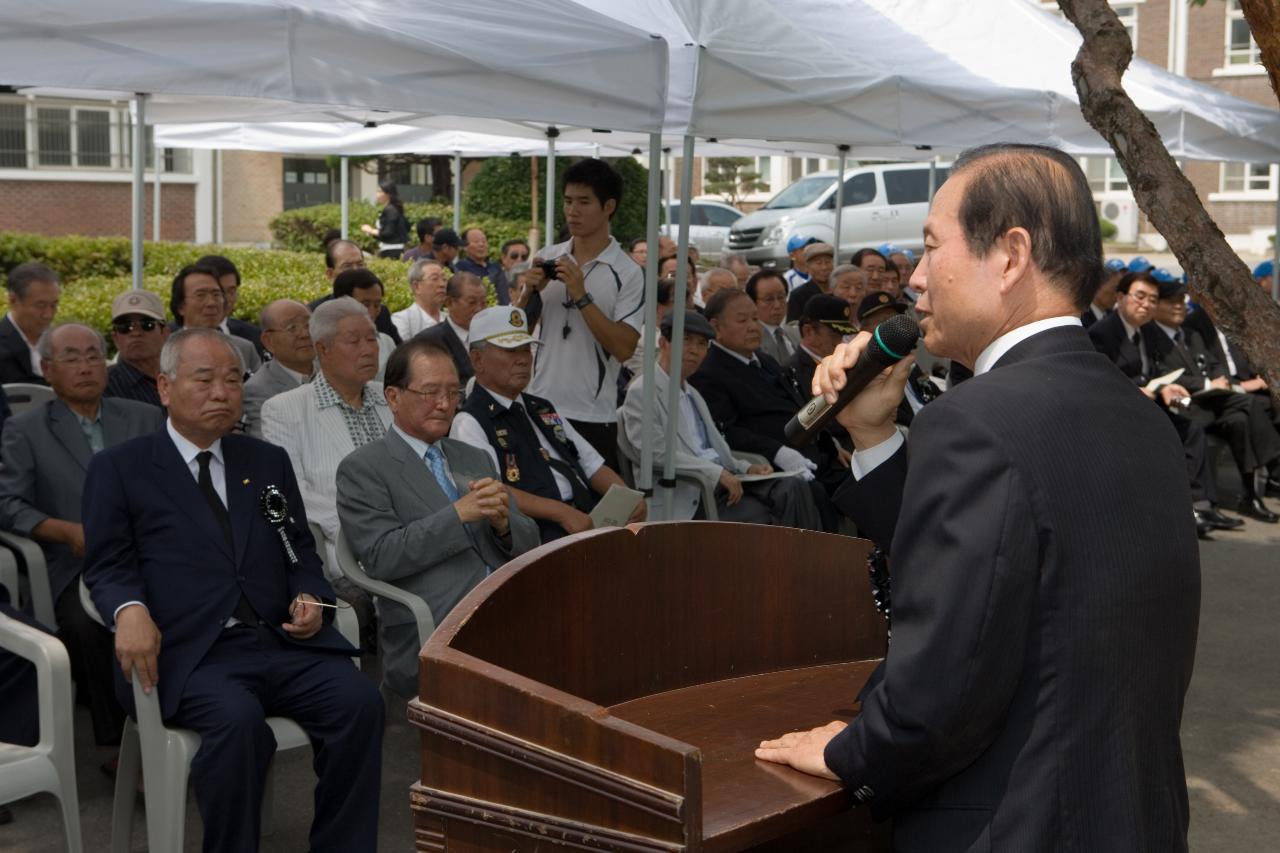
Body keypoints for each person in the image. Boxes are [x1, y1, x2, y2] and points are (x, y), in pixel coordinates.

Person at [755, 143, 1199, 853]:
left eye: (932, 248)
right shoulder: (1138, 414)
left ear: (1011, 253)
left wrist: (848, 750)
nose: (917, 279)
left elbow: (940, 690)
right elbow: (999, 581)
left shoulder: (976, 420)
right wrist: (872, 435)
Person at [82, 328, 383, 853]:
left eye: (232, 380)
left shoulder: (263, 462)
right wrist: (128, 610)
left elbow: (298, 551)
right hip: (188, 652)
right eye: (205, 379)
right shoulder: (121, 468)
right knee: (240, 725)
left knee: (359, 702)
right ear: (165, 387)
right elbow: (106, 565)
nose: (222, 392)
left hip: (276, 642)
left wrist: (310, 595)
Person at [335, 339, 539, 698]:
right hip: (435, 620)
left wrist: (504, 527)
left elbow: (528, 542)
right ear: (393, 397)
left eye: (453, 392)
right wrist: (458, 515)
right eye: (429, 392)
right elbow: (381, 557)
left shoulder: (474, 457)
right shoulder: (364, 468)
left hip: (508, 608)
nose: (445, 404)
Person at [0, 323, 164, 749]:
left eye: (94, 355)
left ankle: (186, 719)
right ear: (48, 370)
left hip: (152, 552)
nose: (86, 366)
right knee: (86, 624)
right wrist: (63, 530)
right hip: (77, 563)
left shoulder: (144, 416)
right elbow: (8, 504)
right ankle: (119, 745)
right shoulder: (27, 430)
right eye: (72, 358)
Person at [451, 306, 645, 544]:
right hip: (535, 537)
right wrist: (560, 512)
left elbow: (591, 464)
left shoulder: (541, 407)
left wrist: (628, 498)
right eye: (510, 350)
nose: (523, 359)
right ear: (477, 360)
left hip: (586, 520)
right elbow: (489, 490)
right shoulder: (470, 421)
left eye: (526, 349)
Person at [620, 311, 823, 528]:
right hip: (686, 492)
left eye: (701, 344)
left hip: (719, 486)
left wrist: (746, 468)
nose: (693, 350)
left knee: (795, 486)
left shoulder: (692, 393)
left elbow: (712, 449)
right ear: (663, 342)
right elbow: (654, 453)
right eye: (686, 340)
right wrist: (716, 473)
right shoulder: (643, 390)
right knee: (773, 510)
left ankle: (803, 559)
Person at [1088, 272, 1237, 538]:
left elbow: (1152, 373)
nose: (1146, 305)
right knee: (1177, 430)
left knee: (1192, 423)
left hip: (1153, 400)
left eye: (1152, 300)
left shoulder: (1147, 331)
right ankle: (1182, 510)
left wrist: (1166, 386)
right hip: (1118, 410)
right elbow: (1098, 379)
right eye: (1140, 297)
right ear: (1121, 298)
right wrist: (1135, 390)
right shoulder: (1102, 333)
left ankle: (1203, 505)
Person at [521, 159, 644, 472]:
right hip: (539, 406)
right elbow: (518, 331)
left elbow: (625, 347)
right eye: (567, 201)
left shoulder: (628, 272)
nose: (572, 211)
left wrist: (581, 294)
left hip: (592, 416)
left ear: (609, 206)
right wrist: (528, 293)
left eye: (584, 202)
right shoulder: (549, 256)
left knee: (594, 515)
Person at [689, 289, 845, 531]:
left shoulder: (764, 360)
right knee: (816, 494)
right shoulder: (709, 372)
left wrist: (830, 441)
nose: (753, 326)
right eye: (742, 320)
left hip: (814, 452)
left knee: (867, 477)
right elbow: (727, 431)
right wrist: (778, 451)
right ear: (716, 327)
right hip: (774, 463)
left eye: (754, 318)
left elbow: (798, 406)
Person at [1141, 275, 1280, 522]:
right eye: (1171, 301)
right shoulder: (1149, 335)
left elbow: (1214, 363)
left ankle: (1249, 495)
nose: (1179, 306)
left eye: (1181, 301)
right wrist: (1206, 383)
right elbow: (1161, 375)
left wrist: (1218, 381)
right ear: (1157, 306)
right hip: (1176, 401)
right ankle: (1272, 462)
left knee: (1239, 418)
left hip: (1208, 401)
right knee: (1240, 406)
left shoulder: (1190, 334)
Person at [260, 297, 390, 555]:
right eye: (354, 341)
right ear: (323, 349)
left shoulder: (390, 397)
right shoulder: (284, 409)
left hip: (417, 537)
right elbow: (293, 492)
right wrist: (369, 531)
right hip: (348, 552)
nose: (368, 350)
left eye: (372, 339)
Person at [169, 263, 262, 375]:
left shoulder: (244, 348)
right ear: (180, 306)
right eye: (200, 295)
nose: (211, 303)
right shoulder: (165, 348)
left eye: (216, 294)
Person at [242, 299, 315, 437]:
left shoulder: (333, 369)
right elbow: (271, 448)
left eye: (308, 325)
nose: (305, 334)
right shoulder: (258, 390)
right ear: (268, 341)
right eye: (292, 328)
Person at [314, 239, 402, 344]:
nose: (356, 270)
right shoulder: (314, 314)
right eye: (347, 266)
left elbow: (400, 354)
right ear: (330, 274)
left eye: (360, 264)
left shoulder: (381, 313)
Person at [413, 271, 489, 388]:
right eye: (472, 302)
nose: (479, 309)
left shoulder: (493, 336)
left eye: (484, 303)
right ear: (449, 303)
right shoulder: (428, 341)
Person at [105, 289, 170, 408]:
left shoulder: (181, 376)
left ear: (165, 333)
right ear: (115, 338)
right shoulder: (104, 386)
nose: (136, 333)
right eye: (125, 327)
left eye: (147, 324)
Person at [332, 268, 397, 379]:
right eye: (365, 305)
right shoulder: (327, 346)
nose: (372, 312)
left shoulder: (386, 342)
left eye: (377, 305)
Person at [0, 262, 60, 385]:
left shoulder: (60, 340)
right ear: (13, 301)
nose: (48, 314)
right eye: (40, 305)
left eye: (54, 305)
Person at [790, 294, 856, 398]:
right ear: (808, 331)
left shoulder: (842, 364)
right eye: (833, 334)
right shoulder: (792, 373)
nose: (840, 342)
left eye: (842, 335)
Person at [197, 254, 264, 357]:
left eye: (231, 291)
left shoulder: (254, 336)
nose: (226, 299)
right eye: (218, 292)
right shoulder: (169, 335)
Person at [748, 269, 799, 363]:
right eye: (769, 299)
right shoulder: (750, 340)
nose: (777, 305)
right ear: (753, 303)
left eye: (781, 297)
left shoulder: (796, 334)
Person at [392, 259, 447, 341]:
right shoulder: (402, 320)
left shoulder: (450, 318)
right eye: (435, 279)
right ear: (416, 286)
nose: (442, 284)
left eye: (444, 279)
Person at [455, 227, 510, 305]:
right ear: (465, 247)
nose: (481, 244)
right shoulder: (460, 268)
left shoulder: (496, 268)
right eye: (476, 241)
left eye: (484, 241)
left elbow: (504, 297)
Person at [785, 242, 834, 322]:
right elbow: (793, 326)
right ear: (807, 267)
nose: (824, 267)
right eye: (818, 263)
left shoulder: (838, 290)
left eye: (828, 262)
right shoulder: (799, 295)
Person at [359, 180, 409, 259]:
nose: (377, 195)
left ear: (388, 193)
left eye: (380, 192)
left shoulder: (391, 210)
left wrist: (370, 230)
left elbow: (388, 232)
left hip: (392, 251)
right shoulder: (392, 209)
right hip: (390, 249)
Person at [1082, 257, 1127, 328]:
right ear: (1098, 285)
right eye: (1115, 288)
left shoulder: (1114, 318)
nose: (1117, 295)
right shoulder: (1080, 318)